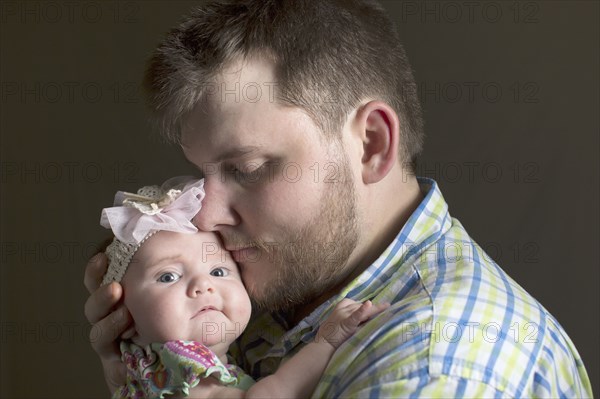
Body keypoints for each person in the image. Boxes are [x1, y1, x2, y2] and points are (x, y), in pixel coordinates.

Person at [84, 0, 593, 397]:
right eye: (200, 179)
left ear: (371, 144)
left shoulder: (435, 367)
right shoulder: (278, 298)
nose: (208, 215)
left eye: (248, 169)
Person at [99, 176, 389, 398]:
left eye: (218, 270)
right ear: (123, 317)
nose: (203, 285)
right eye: (168, 277)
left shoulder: (143, 371)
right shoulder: (180, 364)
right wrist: (325, 343)